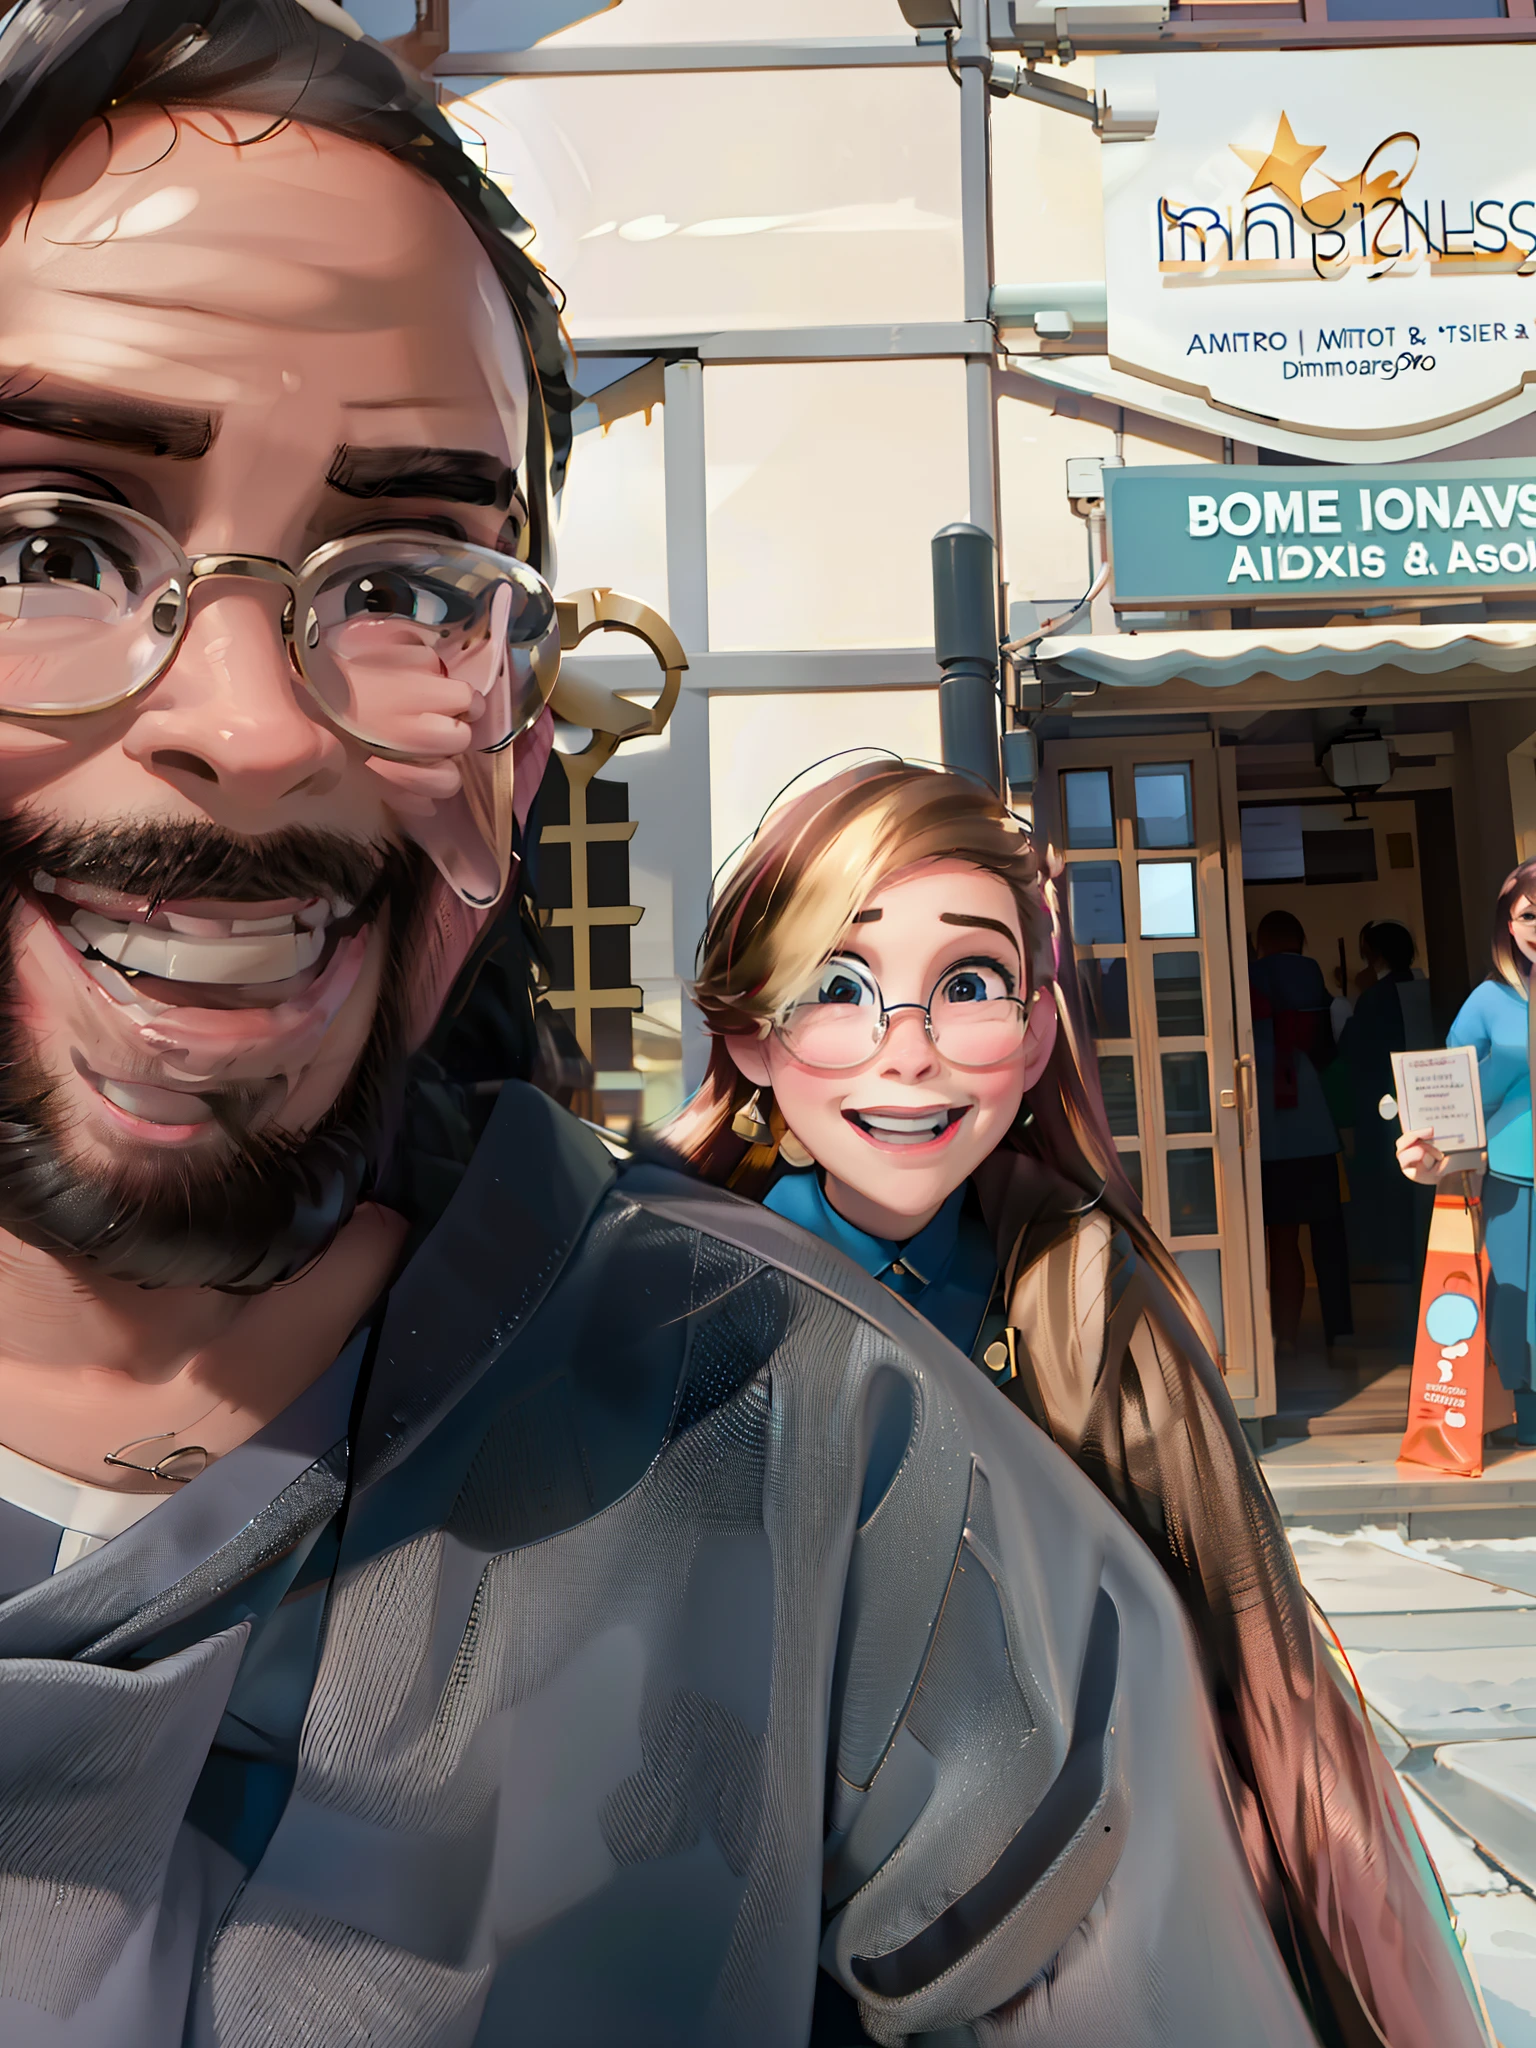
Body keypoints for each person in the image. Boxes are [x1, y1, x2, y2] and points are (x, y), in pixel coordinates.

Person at [0, 6, 1448, 2046]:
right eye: (43, 547)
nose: (250, 724)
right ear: (746, 1038)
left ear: (519, 735)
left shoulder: (835, 1457)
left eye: (411, 578)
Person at [665, 759, 1486, 2048]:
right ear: (752, 1033)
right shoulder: (674, 1306)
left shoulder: (1090, 1299)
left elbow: (1241, 1642)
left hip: (1076, 1934)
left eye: (971, 986)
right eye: (840, 987)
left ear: (1040, 1030)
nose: (910, 1049)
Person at [1399, 860, 1536, 1441]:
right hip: (1512, 1170)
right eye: (1529, 913)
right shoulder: (1486, 1001)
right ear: (1508, 923)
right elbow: (1450, 1092)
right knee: (1518, 1300)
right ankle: (1529, 1415)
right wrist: (1431, 1152)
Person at [1249, 910, 1354, 1352]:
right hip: (1314, 1124)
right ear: (1301, 940)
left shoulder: (1250, 978)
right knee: (1329, 1233)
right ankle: (1342, 1335)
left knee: (1281, 1239)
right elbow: (1330, 1050)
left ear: (1261, 942)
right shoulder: (1313, 980)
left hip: (1268, 1129)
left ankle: (1285, 1338)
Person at [1340, 922, 1432, 1279]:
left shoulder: (1374, 997)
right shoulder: (1425, 988)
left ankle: (1395, 1264)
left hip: (1384, 1107)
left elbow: (1353, 1050)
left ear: (1374, 956)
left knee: (1389, 1184)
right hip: (1427, 1100)